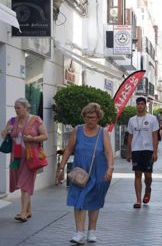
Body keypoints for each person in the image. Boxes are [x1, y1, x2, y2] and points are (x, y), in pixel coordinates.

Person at [56, 103, 114, 244]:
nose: (90, 120)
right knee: (79, 200)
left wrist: (110, 168)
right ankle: (79, 232)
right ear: (84, 117)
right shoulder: (78, 130)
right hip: (80, 171)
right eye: (88, 117)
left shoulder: (103, 132)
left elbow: (108, 151)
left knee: (94, 200)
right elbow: (69, 149)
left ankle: (91, 231)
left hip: (99, 170)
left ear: (98, 117)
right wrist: (61, 167)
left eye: (93, 117)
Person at [0, 98, 48, 223]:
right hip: (16, 157)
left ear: (26, 108)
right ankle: (29, 210)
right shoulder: (12, 121)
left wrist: (32, 138)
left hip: (30, 157)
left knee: (25, 184)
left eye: (18, 108)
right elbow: (3, 135)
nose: (16, 110)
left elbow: (45, 136)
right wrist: (7, 130)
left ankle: (23, 213)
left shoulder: (36, 120)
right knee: (21, 184)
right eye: (15, 108)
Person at [127, 97, 159, 209]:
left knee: (148, 175)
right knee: (137, 175)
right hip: (136, 150)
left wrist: (155, 151)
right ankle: (138, 200)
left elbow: (155, 136)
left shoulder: (152, 119)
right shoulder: (131, 120)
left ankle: (148, 189)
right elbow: (130, 137)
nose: (140, 106)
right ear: (136, 106)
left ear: (145, 105)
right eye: (138, 104)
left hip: (148, 150)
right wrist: (129, 152)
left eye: (142, 104)